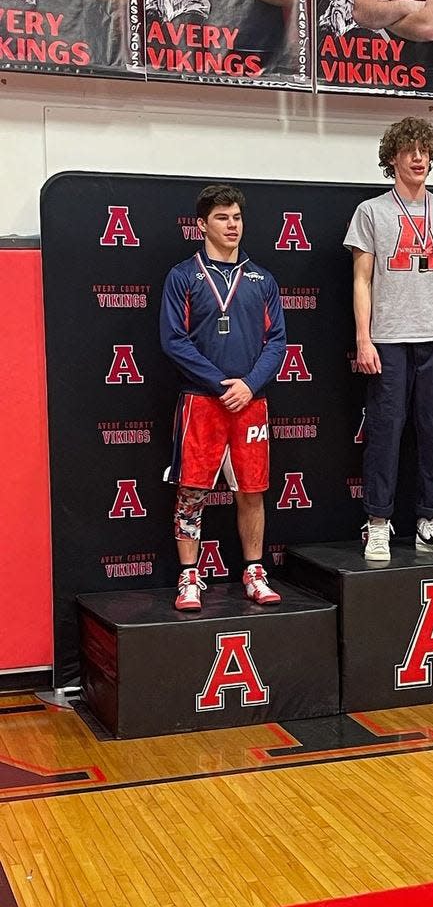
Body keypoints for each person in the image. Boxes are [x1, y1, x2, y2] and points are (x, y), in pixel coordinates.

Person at [344, 116, 433, 561]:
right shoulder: (371, 211)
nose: (419, 157)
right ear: (392, 158)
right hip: (388, 339)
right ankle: (378, 522)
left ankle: (431, 519)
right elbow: (361, 280)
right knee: (385, 432)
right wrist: (364, 339)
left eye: (425, 150)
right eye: (409, 150)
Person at [160, 183, 286, 611]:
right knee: (192, 490)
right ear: (201, 225)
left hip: (251, 402)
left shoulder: (262, 279)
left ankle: (253, 570)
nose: (232, 225)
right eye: (221, 218)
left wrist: (249, 385)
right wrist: (220, 384)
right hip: (202, 401)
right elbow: (174, 340)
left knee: (252, 490)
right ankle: (189, 577)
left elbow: (277, 343)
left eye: (236, 218)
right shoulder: (183, 277)